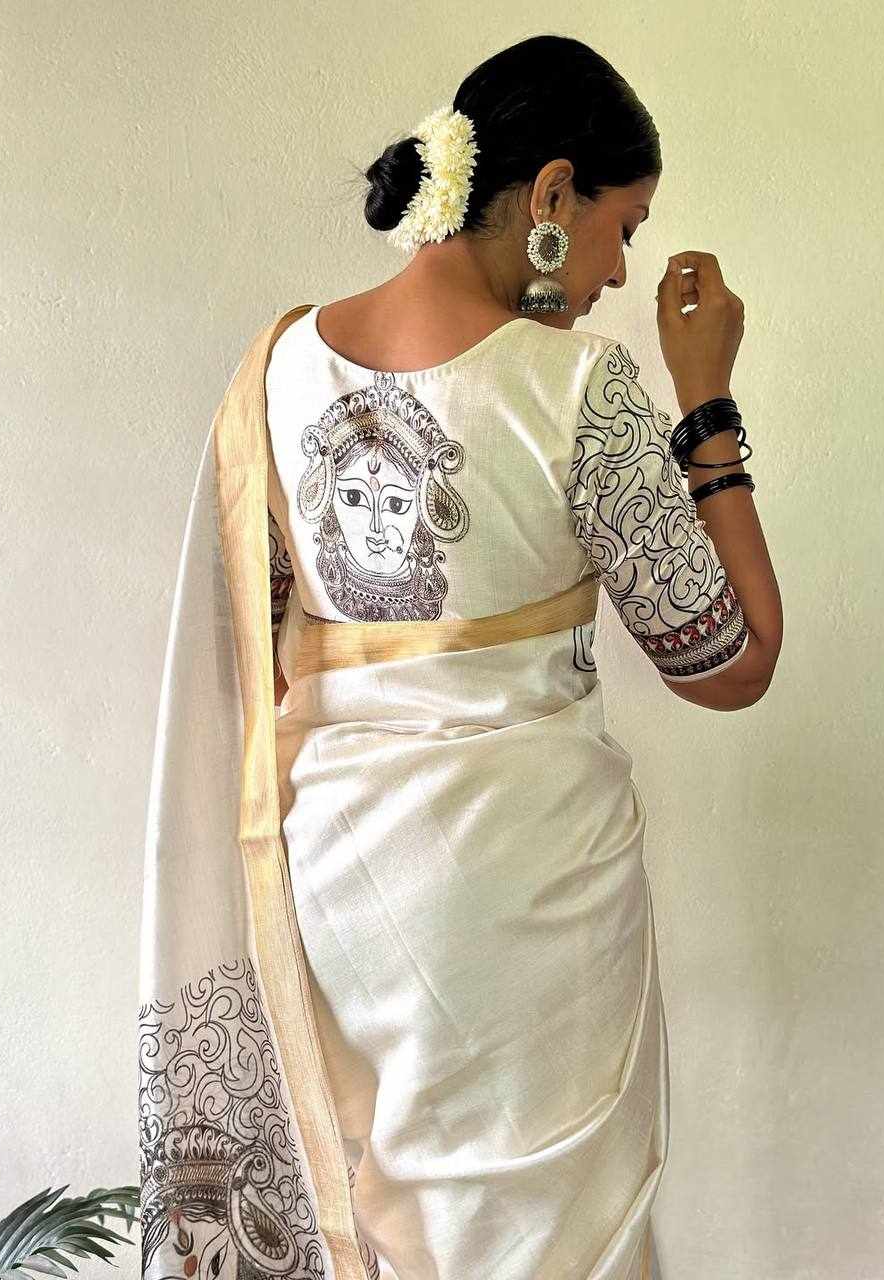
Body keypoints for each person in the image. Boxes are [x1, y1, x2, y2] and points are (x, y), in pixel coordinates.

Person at [138, 33, 782, 1280]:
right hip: (524, 900)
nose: (618, 269)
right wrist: (706, 401)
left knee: (381, 1223)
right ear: (552, 195)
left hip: (338, 880)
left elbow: (256, 640)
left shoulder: (273, 368)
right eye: (623, 226)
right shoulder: (581, 387)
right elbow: (732, 659)